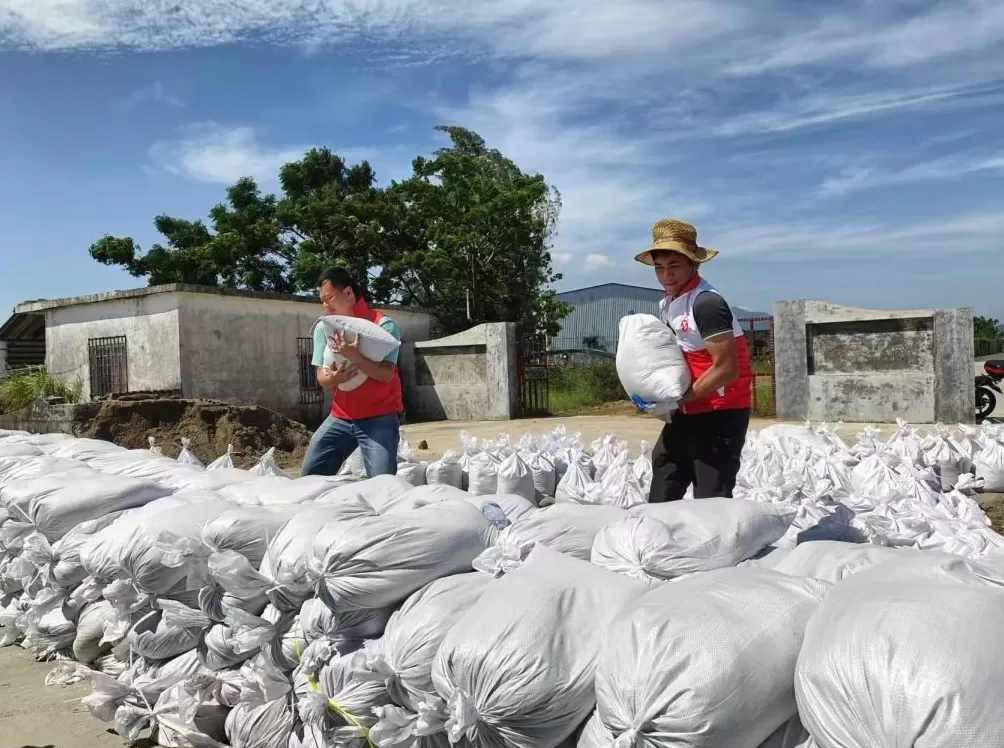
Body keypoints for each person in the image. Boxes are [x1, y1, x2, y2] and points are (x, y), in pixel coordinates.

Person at [634, 218, 753, 502]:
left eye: (674, 267)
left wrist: (678, 400)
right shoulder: (668, 303)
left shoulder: (707, 304)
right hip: (687, 410)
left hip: (719, 414)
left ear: (693, 264)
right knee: (664, 477)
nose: (666, 276)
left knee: (711, 499)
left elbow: (726, 368)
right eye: (659, 268)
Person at [300, 267, 403, 477]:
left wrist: (354, 356)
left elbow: (386, 375)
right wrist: (334, 378)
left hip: (379, 418)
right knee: (309, 476)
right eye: (322, 300)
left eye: (329, 298)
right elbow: (320, 376)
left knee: (383, 485)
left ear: (348, 293)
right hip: (341, 417)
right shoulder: (324, 328)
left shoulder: (383, 326)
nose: (325, 306)